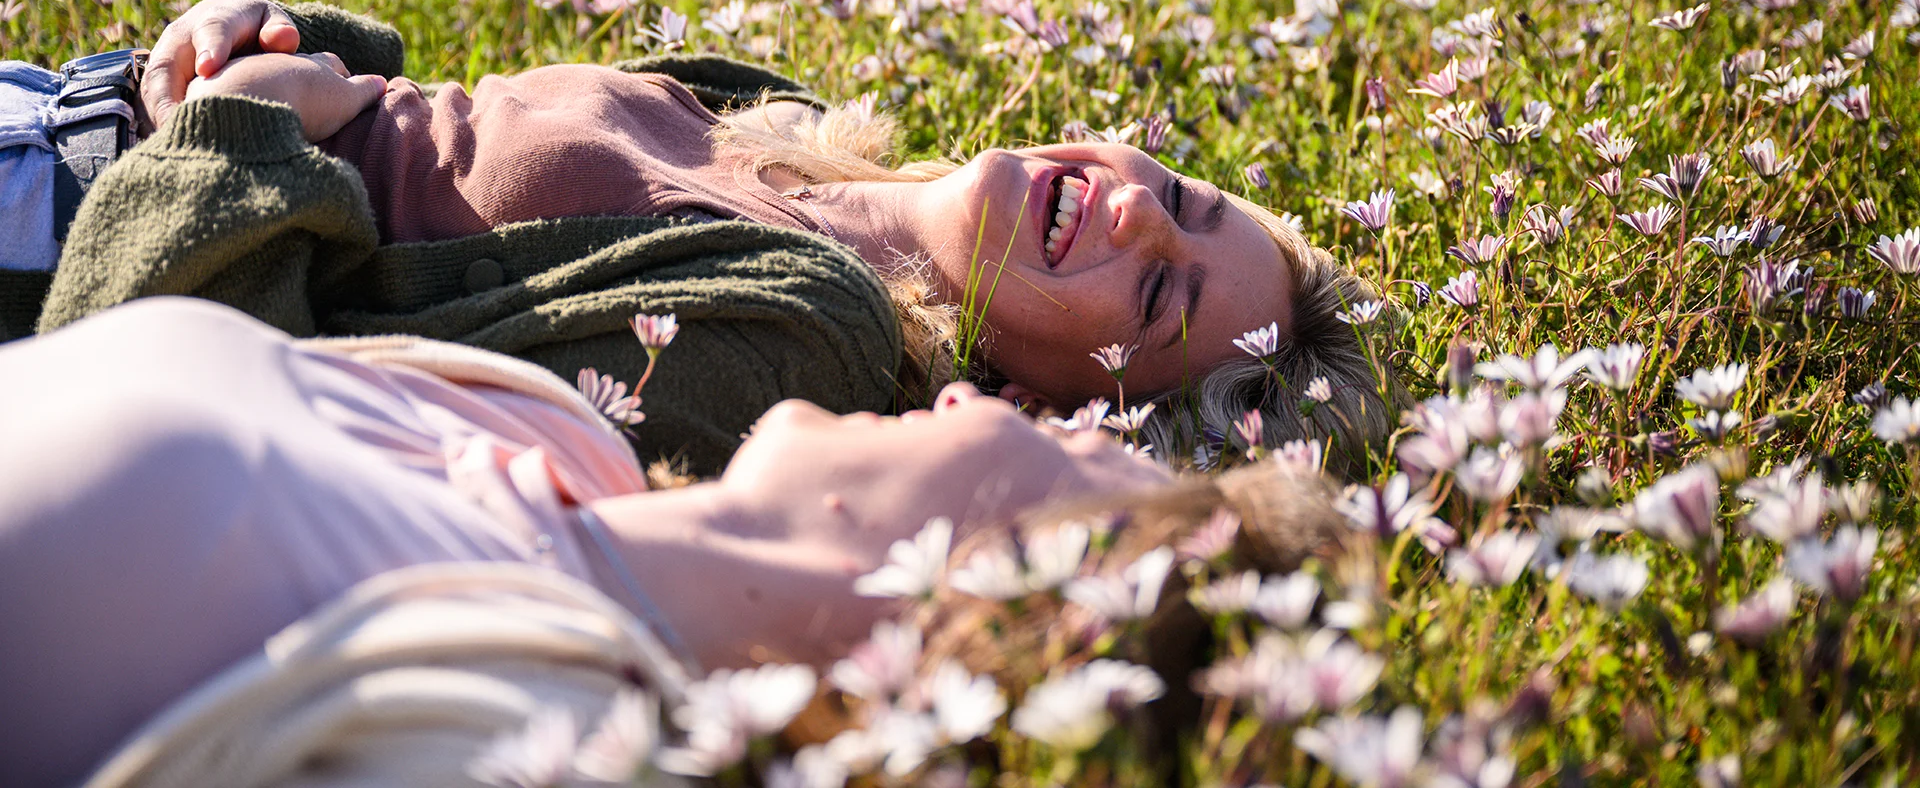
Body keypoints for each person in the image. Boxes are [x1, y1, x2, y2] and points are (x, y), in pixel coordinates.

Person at [21, 0, 1398, 473]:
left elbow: (173, 402)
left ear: (1075, 411)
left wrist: (246, 123)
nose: (1143, 208)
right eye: (1194, 199)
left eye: (1157, 295)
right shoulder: (788, 117)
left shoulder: (782, 357)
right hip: (59, 106)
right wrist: (265, 37)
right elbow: (439, 124)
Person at [0, 296, 1337, 786]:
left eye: (1075, 446)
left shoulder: (528, 734)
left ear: (1043, 587)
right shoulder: (564, 440)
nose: (968, 395)